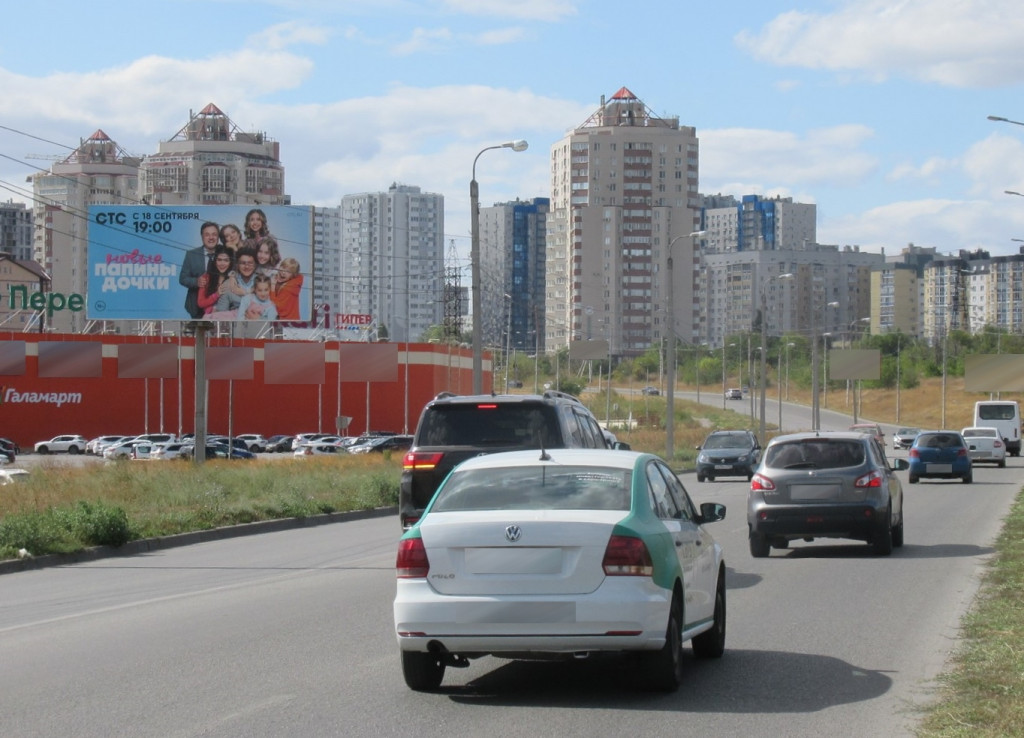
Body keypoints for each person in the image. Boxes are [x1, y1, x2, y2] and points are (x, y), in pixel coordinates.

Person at [179, 221, 220, 319]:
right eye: (207, 235)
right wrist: (196, 281)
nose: (211, 237)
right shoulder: (191, 255)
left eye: (214, 234)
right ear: (202, 237)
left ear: (218, 237)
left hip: (220, 307)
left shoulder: (225, 253)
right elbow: (183, 278)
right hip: (196, 307)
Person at [214, 247, 259, 314]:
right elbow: (220, 312)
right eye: (243, 263)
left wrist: (245, 293)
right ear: (237, 265)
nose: (246, 266)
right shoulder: (230, 282)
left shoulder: (262, 281)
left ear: (255, 265)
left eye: (250, 263)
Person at [197, 246, 234, 316]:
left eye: (226, 260)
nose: (222, 263)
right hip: (210, 317)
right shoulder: (206, 277)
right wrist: (216, 295)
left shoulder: (233, 279)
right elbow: (200, 303)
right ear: (215, 261)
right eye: (219, 260)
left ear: (230, 262)